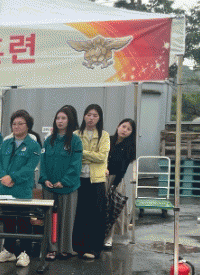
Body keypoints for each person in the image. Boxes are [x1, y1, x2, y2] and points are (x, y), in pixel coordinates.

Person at [0, 109, 41, 268]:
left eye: (20, 123)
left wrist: (12, 178)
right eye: (14, 123)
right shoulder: (6, 143)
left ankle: (24, 253)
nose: (16, 126)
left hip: (21, 190)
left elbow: (29, 168)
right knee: (7, 221)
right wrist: (3, 177)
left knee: (23, 222)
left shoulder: (33, 145)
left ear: (28, 126)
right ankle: (9, 250)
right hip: (5, 190)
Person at [38, 106, 83, 260]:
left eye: (63, 118)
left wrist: (64, 181)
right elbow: (43, 162)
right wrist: (45, 179)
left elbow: (76, 164)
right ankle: (51, 249)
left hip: (68, 187)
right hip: (49, 187)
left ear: (69, 121)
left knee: (66, 218)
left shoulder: (75, 141)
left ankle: (65, 248)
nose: (60, 121)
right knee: (50, 219)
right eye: (58, 118)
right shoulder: (48, 140)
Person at [72, 104, 110, 259]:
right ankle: (78, 246)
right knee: (80, 213)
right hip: (79, 178)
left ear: (99, 118)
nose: (91, 118)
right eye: (88, 114)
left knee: (96, 215)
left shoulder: (104, 135)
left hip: (97, 180)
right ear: (84, 116)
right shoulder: (76, 134)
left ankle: (94, 248)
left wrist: (82, 153)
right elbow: (73, 154)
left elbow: (102, 157)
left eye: (95, 115)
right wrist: (90, 155)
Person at [104, 118, 136, 248]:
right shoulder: (107, 140)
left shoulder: (129, 147)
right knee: (100, 207)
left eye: (129, 129)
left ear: (131, 133)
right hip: (101, 177)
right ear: (118, 126)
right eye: (123, 126)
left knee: (113, 209)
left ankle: (109, 237)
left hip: (116, 180)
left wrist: (114, 184)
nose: (125, 130)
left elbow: (123, 169)